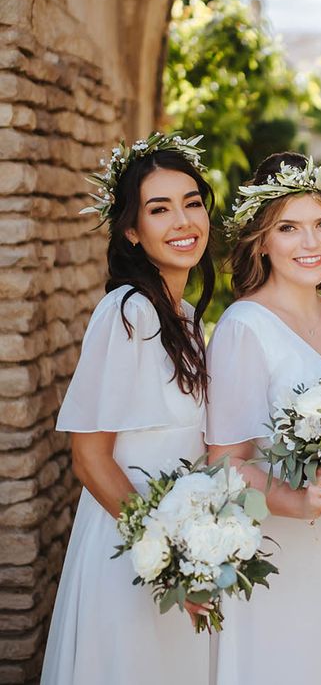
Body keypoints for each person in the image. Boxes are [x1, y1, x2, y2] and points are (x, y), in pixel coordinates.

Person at [41, 133, 215, 685]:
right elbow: (91, 459)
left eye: (192, 203)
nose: (183, 221)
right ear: (132, 232)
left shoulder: (186, 317)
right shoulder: (127, 312)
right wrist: (167, 557)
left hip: (182, 538)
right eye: (159, 209)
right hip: (133, 543)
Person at [205, 153, 321, 685]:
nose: (311, 243)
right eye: (289, 228)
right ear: (261, 239)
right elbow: (226, 465)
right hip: (284, 552)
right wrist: (298, 501)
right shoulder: (243, 327)